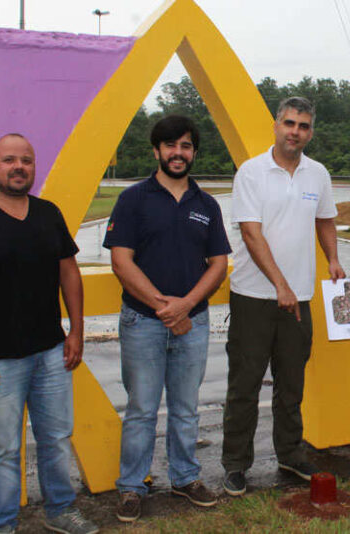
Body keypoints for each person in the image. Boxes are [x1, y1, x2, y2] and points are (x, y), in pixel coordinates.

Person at [0, 134, 97, 534]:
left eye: (26, 160)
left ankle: (60, 512)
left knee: (57, 439)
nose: (18, 166)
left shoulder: (48, 214)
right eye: (9, 160)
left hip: (51, 353)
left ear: (34, 167)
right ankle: (2, 525)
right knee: (3, 449)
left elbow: (69, 273)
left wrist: (75, 332)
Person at [103, 115, 231, 522]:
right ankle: (130, 486)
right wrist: (165, 307)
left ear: (194, 152)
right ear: (156, 151)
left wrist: (185, 305)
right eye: (171, 145)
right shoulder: (133, 200)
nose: (179, 153)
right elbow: (121, 262)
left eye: (187, 146)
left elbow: (218, 264)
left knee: (185, 407)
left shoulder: (206, 204)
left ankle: (185, 477)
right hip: (143, 322)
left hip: (192, 323)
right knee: (141, 407)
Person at [221, 96, 346, 496]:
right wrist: (280, 285)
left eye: (304, 125)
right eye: (290, 123)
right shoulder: (252, 173)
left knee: (291, 383)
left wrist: (333, 259)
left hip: (299, 299)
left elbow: (325, 219)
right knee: (245, 384)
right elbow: (251, 234)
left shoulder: (318, 174)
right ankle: (236, 464)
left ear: (311, 131)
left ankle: (290, 454)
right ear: (276, 124)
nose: (296, 131)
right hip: (254, 298)